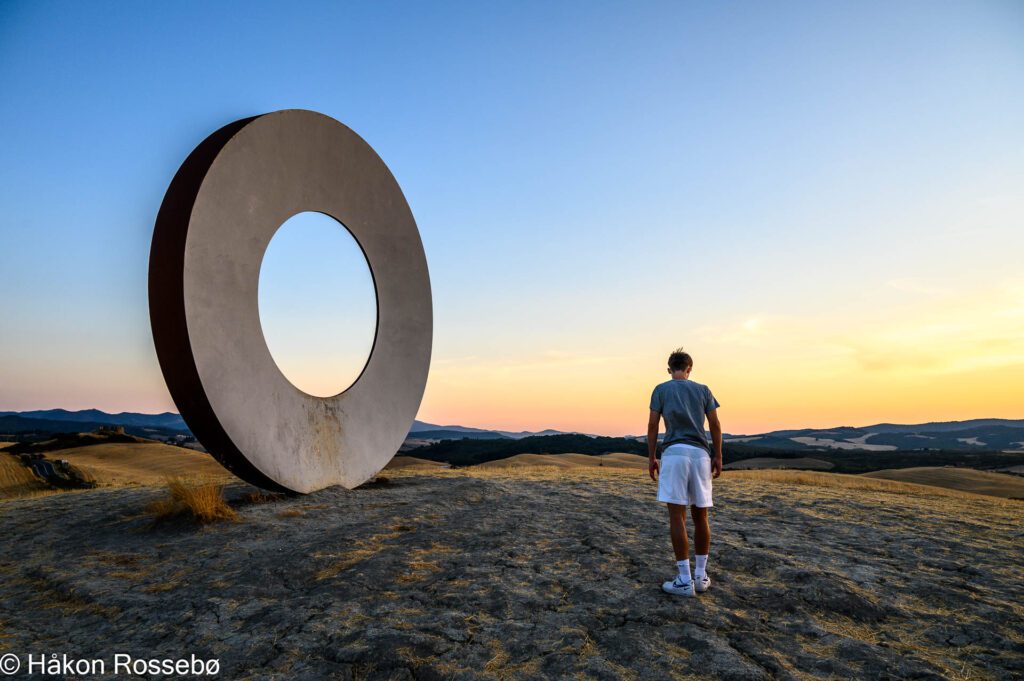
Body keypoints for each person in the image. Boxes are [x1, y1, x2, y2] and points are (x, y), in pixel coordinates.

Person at [647, 347, 722, 597]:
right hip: (700, 454)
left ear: (669, 369)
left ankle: (683, 579)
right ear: (689, 370)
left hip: (675, 453)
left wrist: (651, 456)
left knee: (677, 517)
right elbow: (714, 424)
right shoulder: (703, 390)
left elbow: (652, 425)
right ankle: (700, 577)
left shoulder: (661, 389)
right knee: (701, 517)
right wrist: (718, 455)